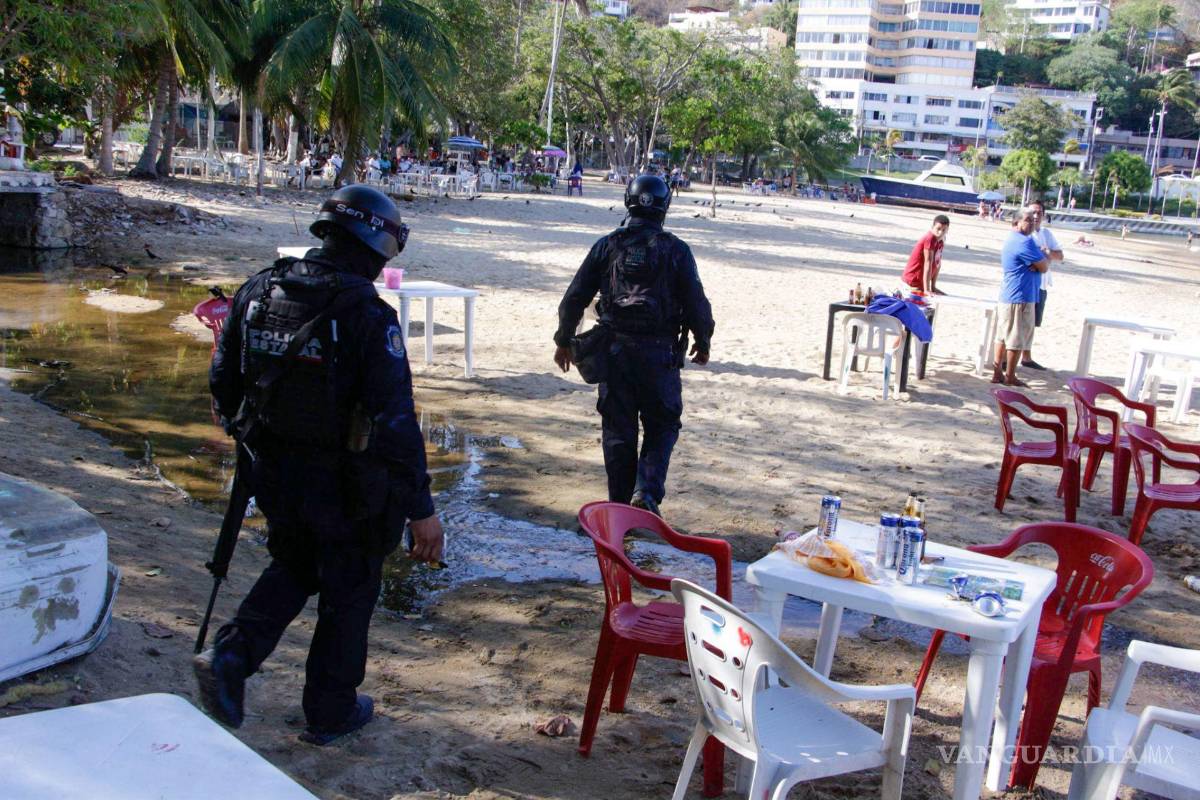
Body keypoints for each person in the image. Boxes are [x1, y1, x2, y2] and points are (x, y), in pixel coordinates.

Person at [197, 185, 444, 746]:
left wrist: (256, 441)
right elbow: (396, 422)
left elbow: (222, 381)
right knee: (349, 590)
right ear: (377, 248)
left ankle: (230, 656)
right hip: (351, 485)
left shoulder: (258, 289)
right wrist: (421, 508)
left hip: (274, 472)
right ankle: (331, 709)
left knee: (296, 563)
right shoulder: (368, 316)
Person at [552, 174, 714, 518]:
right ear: (665, 207)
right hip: (660, 356)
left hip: (615, 354)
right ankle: (646, 492)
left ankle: (619, 505)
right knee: (663, 424)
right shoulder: (676, 250)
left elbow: (574, 298)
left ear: (628, 202)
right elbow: (698, 304)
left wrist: (564, 341)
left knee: (618, 430)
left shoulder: (607, 246)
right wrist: (703, 342)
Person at [993, 206, 1050, 387]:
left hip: (1009, 294)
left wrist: (1040, 260)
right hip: (1020, 296)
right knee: (1016, 339)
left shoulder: (1014, 239)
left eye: (1033, 220)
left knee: (1003, 336)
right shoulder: (1024, 242)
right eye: (1027, 220)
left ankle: (997, 373)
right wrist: (1044, 257)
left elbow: (1040, 264)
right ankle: (1010, 376)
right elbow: (1044, 267)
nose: (1032, 223)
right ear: (1016, 222)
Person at [1020, 199, 1063, 370]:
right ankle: (1012, 357)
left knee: (1033, 323)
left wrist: (1047, 252)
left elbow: (1060, 256)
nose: (1036, 216)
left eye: (1039, 213)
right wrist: (1043, 256)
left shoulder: (1046, 234)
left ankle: (1026, 356)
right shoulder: (1024, 233)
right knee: (1021, 321)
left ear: (1044, 215)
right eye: (1033, 212)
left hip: (1042, 284)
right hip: (1027, 283)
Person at [902, 214, 949, 295]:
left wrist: (933, 287)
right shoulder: (929, 238)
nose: (940, 232)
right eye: (938, 229)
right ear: (932, 227)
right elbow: (928, 263)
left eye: (944, 230)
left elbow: (937, 263)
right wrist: (926, 290)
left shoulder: (941, 241)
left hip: (922, 284)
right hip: (912, 282)